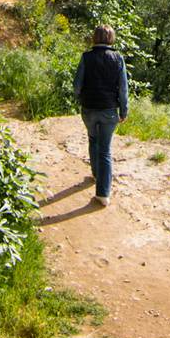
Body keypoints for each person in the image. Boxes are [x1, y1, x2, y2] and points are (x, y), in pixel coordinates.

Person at [72, 25, 128, 206]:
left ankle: (96, 174)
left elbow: (77, 85)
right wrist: (123, 111)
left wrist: (81, 98)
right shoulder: (118, 58)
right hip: (109, 110)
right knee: (105, 150)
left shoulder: (86, 57)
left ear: (94, 37)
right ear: (111, 38)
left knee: (93, 139)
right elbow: (123, 89)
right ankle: (103, 193)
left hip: (89, 108)